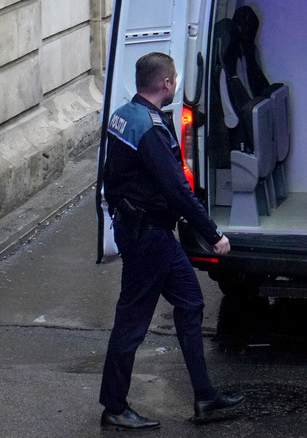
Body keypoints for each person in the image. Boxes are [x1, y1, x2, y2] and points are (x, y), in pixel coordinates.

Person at [98, 52, 244, 431]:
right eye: (175, 78)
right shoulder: (148, 128)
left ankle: (206, 397)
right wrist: (214, 234)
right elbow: (178, 190)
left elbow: (108, 175)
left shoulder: (124, 115)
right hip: (148, 236)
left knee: (191, 303)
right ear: (166, 84)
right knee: (131, 322)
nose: (176, 83)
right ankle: (114, 406)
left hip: (146, 231)